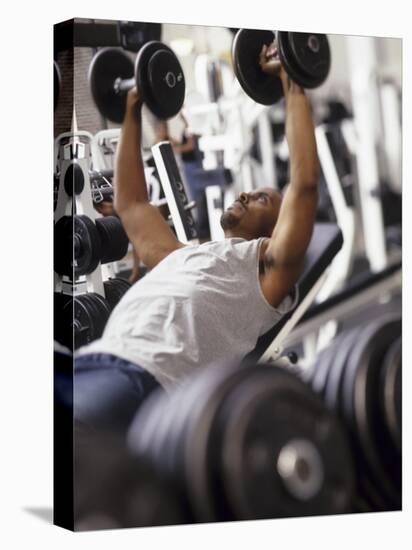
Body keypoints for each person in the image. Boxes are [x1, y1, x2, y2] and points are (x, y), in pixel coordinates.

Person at [74, 43, 320, 434]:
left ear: (278, 229)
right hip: (98, 358)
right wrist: (132, 108)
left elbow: (304, 184)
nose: (244, 194)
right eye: (249, 191)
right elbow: (133, 204)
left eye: (261, 199)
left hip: (145, 379)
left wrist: (292, 80)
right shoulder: (180, 255)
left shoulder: (265, 275)